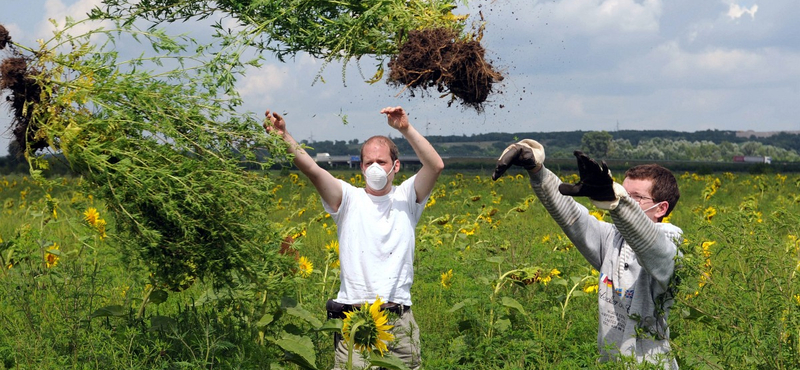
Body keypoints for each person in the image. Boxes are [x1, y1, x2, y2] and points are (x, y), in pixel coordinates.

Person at [264, 106, 444, 370]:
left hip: (399, 321)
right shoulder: (347, 198)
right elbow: (313, 170)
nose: (374, 168)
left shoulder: (407, 197)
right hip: (356, 320)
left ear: (395, 166)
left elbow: (435, 165)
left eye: (381, 162)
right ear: (361, 167)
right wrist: (284, 137)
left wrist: (404, 128)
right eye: (368, 162)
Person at [492, 140, 682, 369]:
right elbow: (573, 218)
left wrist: (618, 204)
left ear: (661, 208)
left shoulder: (671, 242)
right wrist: (537, 170)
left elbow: (654, 250)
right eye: (623, 192)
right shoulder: (614, 239)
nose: (624, 198)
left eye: (635, 197)